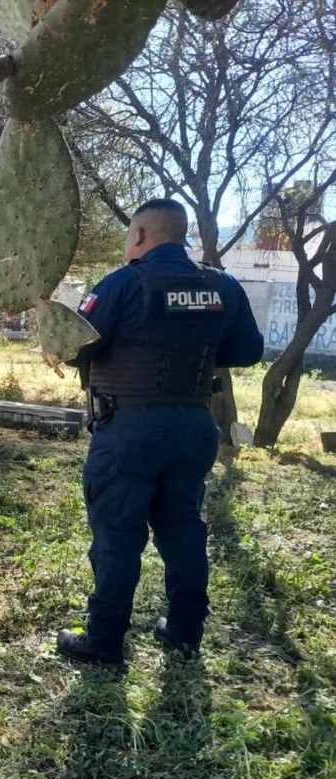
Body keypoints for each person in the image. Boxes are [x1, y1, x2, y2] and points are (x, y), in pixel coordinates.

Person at [56, 198, 263, 669]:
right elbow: (249, 350)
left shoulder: (123, 283)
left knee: (117, 535)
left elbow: (74, 348)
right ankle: (185, 632)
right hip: (194, 425)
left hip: (129, 429)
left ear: (142, 235)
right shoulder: (222, 285)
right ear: (183, 234)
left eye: (131, 235)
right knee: (184, 529)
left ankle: (104, 641)